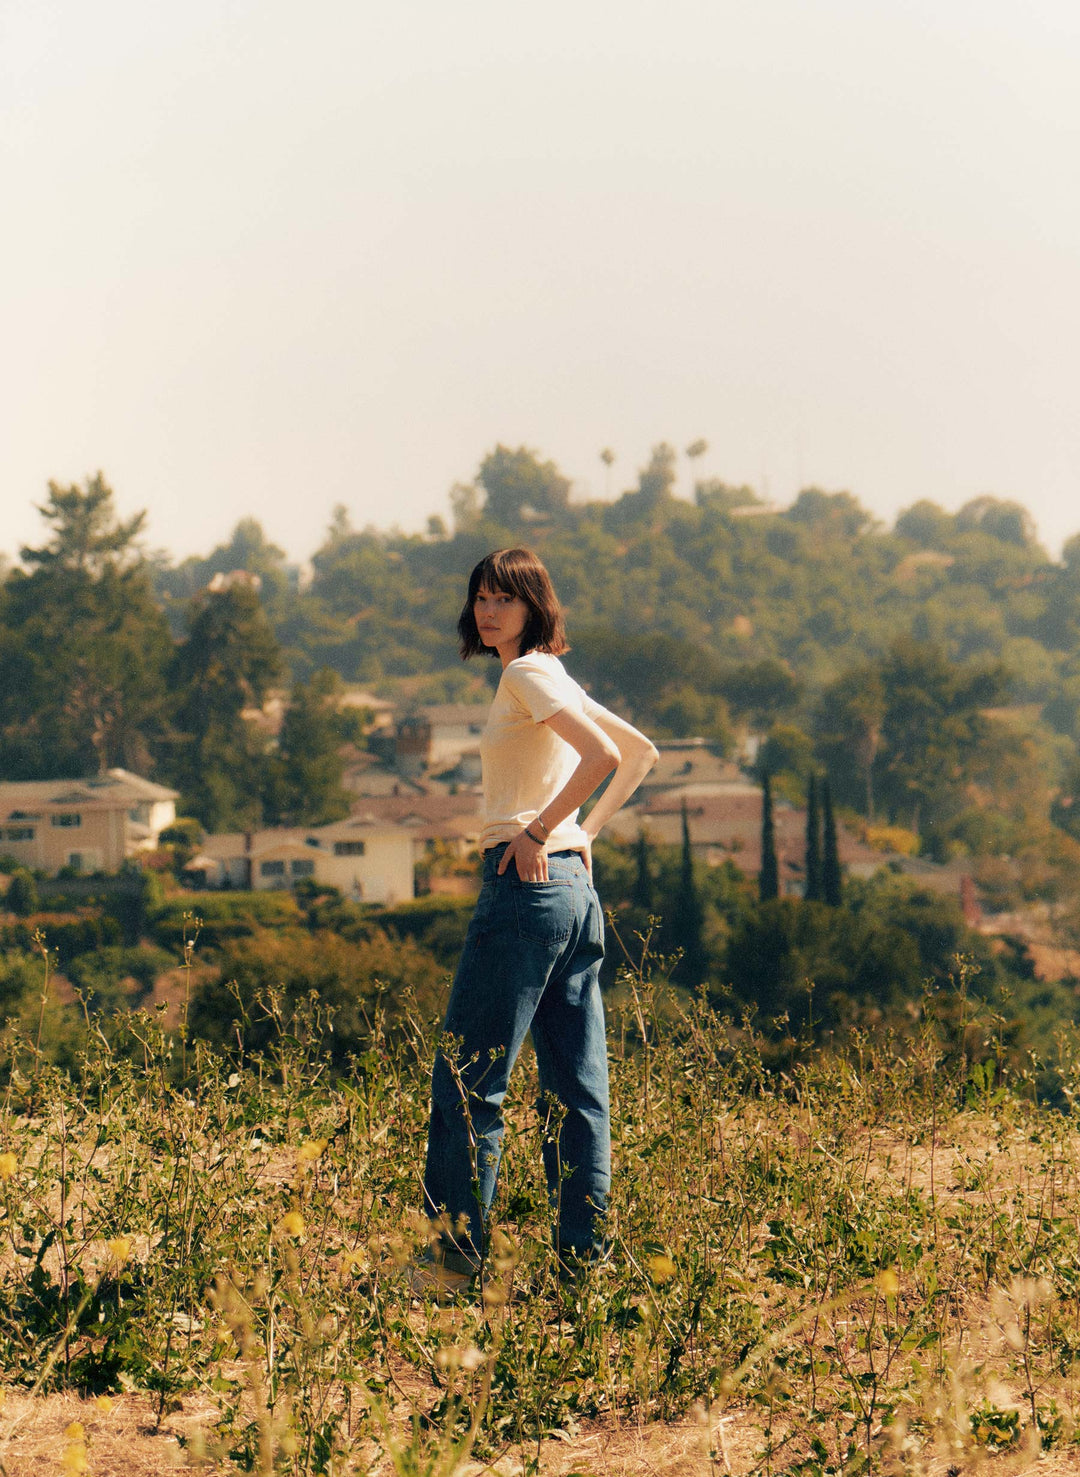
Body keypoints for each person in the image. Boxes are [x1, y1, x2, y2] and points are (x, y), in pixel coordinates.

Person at [417, 547, 658, 1294]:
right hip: (573, 890)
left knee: (468, 1080)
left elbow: (605, 755)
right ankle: (582, 1269)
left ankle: (454, 1264)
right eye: (480, 597)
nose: (488, 611)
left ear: (533, 606)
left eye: (504, 599)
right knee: (577, 1091)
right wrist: (582, 837)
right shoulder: (551, 675)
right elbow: (641, 753)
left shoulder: (527, 673)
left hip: (525, 888)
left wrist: (540, 830)